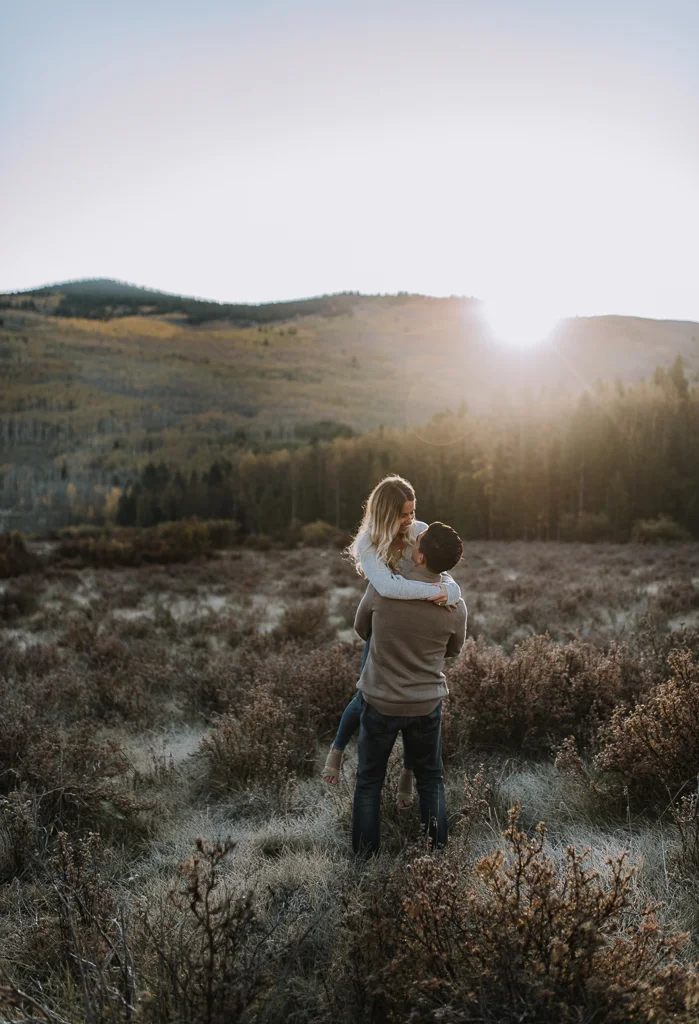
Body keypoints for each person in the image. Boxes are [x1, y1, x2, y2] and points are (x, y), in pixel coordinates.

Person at [322, 475, 462, 808]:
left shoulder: (419, 531)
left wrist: (452, 589)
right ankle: (337, 750)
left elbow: (444, 570)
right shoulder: (367, 545)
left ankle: (407, 776)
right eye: (404, 514)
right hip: (385, 623)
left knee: (417, 699)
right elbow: (388, 589)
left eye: (412, 512)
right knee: (366, 694)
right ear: (385, 514)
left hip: (417, 624)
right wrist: (437, 593)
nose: (411, 521)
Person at [351, 521, 467, 858]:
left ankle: (364, 860)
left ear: (419, 557)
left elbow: (361, 628)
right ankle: (437, 858)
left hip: (380, 700)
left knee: (369, 782)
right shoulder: (454, 604)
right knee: (431, 781)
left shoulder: (382, 590)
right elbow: (454, 650)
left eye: (417, 542)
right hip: (426, 704)